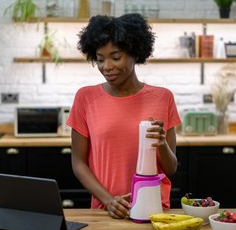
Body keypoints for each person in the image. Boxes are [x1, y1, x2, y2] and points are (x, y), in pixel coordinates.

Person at [66, 13, 181, 219]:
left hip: (154, 210)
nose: (106, 67)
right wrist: (109, 200)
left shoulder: (163, 98)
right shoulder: (86, 98)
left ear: (135, 54)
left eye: (116, 57)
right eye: (100, 59)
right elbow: (78, 163)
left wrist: (161, 143)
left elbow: (171, 168)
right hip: (106, 210)